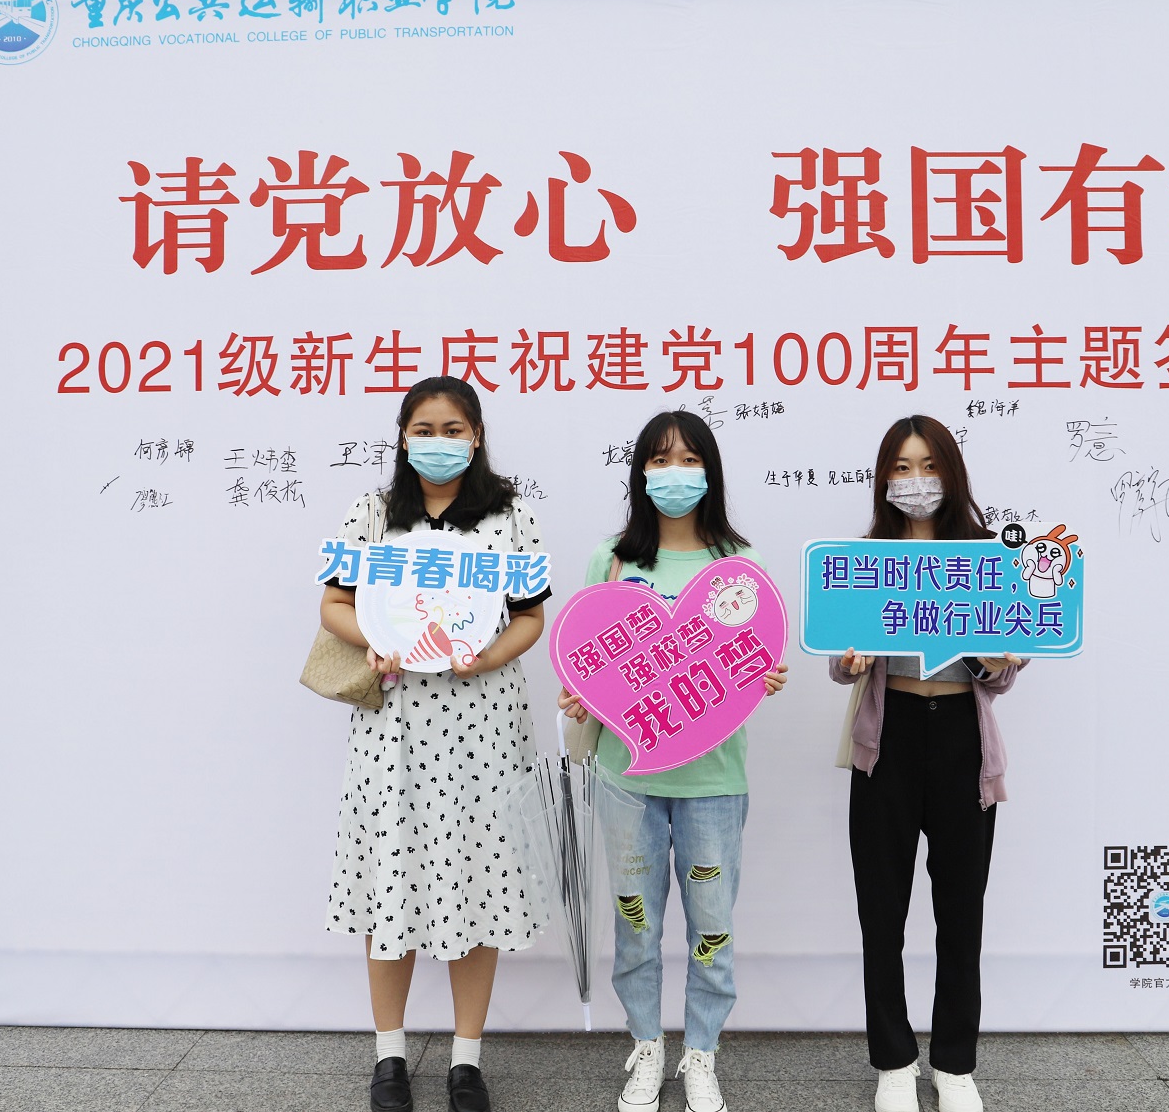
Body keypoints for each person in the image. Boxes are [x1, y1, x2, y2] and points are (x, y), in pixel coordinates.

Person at [319, 376, 552, 1112]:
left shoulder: (511, 516)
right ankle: (389, 1054)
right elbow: (333, 604)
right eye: (424, 428)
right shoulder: (373, 512)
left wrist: (488, 654)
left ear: (477, 437)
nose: (439, 442)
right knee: (391, 878)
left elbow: (530, 617)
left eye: (454, 429)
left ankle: (466, 1060)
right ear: (402, 436)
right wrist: (374, 639)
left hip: (483, 724)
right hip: (393, 725)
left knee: (476, 878)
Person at [560, 410, 787, 1112]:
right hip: (627, 777)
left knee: (711, 926)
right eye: (660, 460)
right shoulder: (612, 558)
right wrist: (580, 697)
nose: (674, 473)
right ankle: (647, 1044)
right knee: (638, 924)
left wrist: (763, 675)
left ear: (710, 472)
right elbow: (590, 658)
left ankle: (702, 1052)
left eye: (689, 459)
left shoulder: (738, 564)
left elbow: (752, 653)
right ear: (640, 473)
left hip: (713, 778)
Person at [830, 415, 1025, 1112]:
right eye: (903, 468)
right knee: (881, 911)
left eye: (929, 466)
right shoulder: (865, 557)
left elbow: (1007, 669)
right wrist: (851, 659)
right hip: (889, 740)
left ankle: (954, 1064)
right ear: (885, 478)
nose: (917, 481)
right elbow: (837, 659)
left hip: (962, 742)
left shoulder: (988, 556)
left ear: (952, 472)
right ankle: (892, 1061)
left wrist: (990, 653)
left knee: (961, 910)